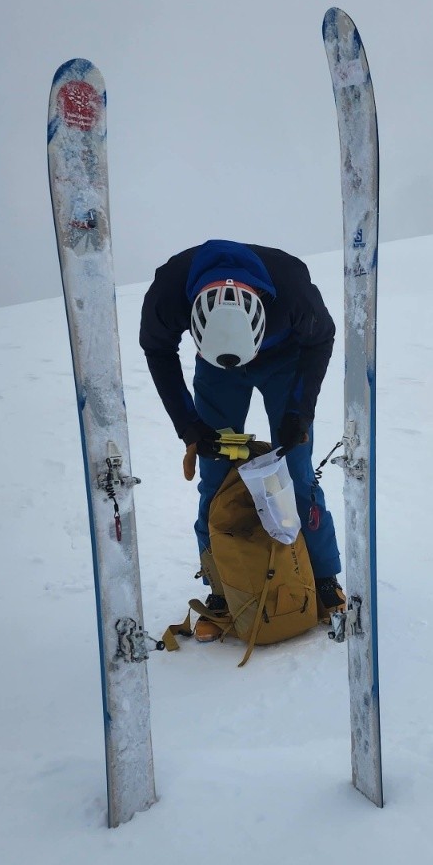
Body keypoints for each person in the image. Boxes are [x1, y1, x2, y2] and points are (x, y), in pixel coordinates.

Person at [139, 239, 344, 641]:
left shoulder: (292, 287)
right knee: (215, 479)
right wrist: (189, 426)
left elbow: (321, 340)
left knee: (297, 475)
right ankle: (221, 590)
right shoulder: (169, 291)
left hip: (283, 360)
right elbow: (157, 350)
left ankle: (322, 578)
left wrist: (299, 413)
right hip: (217, 369)